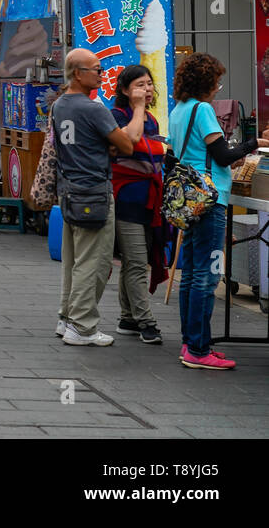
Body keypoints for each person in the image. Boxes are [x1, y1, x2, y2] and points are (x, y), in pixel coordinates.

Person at [170, 53, 269, 369]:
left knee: (192, 273)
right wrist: (255, 142)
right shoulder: (204, 112)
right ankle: (199, 350)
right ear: (207, 83)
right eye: (216, 81)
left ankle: (191, 342)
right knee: (208, 274)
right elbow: (223, 155)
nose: (218, 87)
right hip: (211, 198)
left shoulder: (179, 110)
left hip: (190, 198)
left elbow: (194, 154)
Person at [51, 48, 136, 346]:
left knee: (73, 260)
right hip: (95, 191)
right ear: (78, 73)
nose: (101, 74)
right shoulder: (92, 108)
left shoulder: (60, 105)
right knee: (95, 262)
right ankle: (82, 325)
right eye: (96, 70)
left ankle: (67, 318)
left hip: (70, 189)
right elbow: (126, 145)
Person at [109, 65, 167, 345]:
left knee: (135, 262)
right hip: (126, 198)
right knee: (135, 262)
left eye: (149, 84)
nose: (147, 89)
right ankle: (147, 321)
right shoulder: (117, 116)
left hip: (149, 199)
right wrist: (138, 107)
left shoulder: (152, 120)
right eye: (140, 85)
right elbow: (129, 140)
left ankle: (128, 317)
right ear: (124, 90)